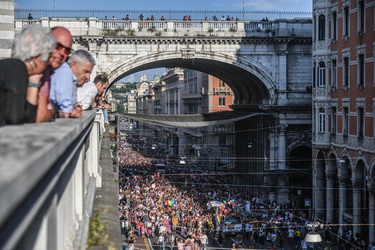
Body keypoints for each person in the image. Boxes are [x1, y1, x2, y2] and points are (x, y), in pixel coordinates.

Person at [0, 24, 55, 126]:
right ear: (36, 58)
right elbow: (15, 120)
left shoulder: (14, 68)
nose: (50, 62)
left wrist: (34, 83)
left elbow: (28, 119)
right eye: (49, 57)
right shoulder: (17, 68)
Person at [36, 26, 74, 122]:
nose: (62, 53)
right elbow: (41, 116)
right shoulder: (39, 71)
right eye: (58, 46)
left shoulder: (49, 72)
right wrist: (55, 112)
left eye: (67, 50)